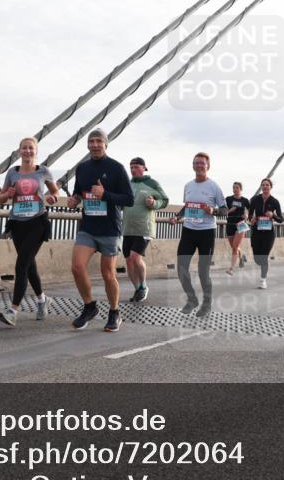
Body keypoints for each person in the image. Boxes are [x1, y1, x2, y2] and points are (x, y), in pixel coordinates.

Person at [66, 129, 134, 332]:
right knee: (77, 267)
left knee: (107, 274)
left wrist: (105, 194)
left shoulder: (116, 168)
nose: (95, 145)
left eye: (99, 141)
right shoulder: (82, 168)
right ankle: (90, 306)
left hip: (110, 229)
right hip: (88, 227)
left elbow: (128, 199)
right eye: (91, 141)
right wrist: (74, 200)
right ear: (87, 145)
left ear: (106, 144)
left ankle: (114, 312)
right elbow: (79, 193)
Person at [0, 136, 60, 327]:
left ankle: (13, 311)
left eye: (31, 148)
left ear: (36, 151)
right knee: (29, 264)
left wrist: (53, 198)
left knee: (21, 265)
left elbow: (55, 192)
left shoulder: (43, 171)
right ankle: (42, 300)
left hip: (37, 223)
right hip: (17, 223)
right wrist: (6, 195)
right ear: (19, 151)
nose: (27, 151)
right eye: (24, 148)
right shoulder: (12, 173)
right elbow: (0, 199)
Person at [169, 152, 227, 317]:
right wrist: (176, 217)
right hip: (188, 231)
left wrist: (213, 210)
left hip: (206, 233)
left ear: (208, 166)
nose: (199, 165)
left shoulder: (214, 187)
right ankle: (192, 299)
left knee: (203, 271)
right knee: (181, 268)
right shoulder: (188, 186)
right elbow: (187, 207)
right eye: (196, 163)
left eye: (202, 163)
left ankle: (206, 304)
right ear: (193, 165)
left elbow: (225, 210)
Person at [122, 157, 169, 303]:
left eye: (136, 167)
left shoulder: (151, 183)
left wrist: (154, 203)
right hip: (128, 228)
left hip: (144, 228)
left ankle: (143, 286)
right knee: (129, 260)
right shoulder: (126, 184)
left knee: (136, 257)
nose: (133, 169)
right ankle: (137, 289)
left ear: (144, 168)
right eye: (131, 167)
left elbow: (165, 200)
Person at [249, 178, 284, 289]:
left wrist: (272, 215)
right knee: (257, 258)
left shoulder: (274, 201)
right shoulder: (255, 199)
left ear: (270, 187)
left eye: (267, 185)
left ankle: (263, 280)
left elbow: (281, 219)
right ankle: (263, 265)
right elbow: (249, 215)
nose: (265, 187)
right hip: (256, 232)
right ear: (261, 187)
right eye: (263, 185)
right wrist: (252, 219)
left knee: (263, 257)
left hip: (269, 234)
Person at [225, 182, 252, 275]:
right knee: (234, 247)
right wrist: (229, 211)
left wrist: (247, 215)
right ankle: (242, 257)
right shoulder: (228, 199)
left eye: (237, 187)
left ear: (241, 189)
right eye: (233, 187)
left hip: (240, 225)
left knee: (235, 247)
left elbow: (251, 211)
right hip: (230, 225)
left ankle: (231, 269)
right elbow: (223, 212)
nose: (235, 189)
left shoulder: (245, 200)